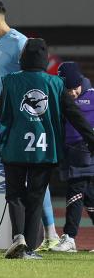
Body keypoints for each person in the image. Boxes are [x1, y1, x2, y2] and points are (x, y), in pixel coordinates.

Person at [0, 0, 60, 251]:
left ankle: (51, 234)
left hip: (16, 124)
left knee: (35, 180)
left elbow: (34, 82)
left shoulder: (19, 43)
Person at [0, 39, 94, 259]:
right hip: (44, 150)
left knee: (15, 195)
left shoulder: (10, 81)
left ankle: (18, 237)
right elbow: (74, 115)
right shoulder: (56, 84)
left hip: (14, 148)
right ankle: (29, 248)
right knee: (35, 198)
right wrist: (91, 139)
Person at [51, 62, 94, 252]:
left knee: (75, 190)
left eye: (74, 88)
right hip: (69, 154)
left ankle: (69, 237)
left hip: (86, 153)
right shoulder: (58, 96)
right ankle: (69, 238)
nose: (72, 93)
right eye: (67, 89)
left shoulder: (92, 95)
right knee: (90, 196)